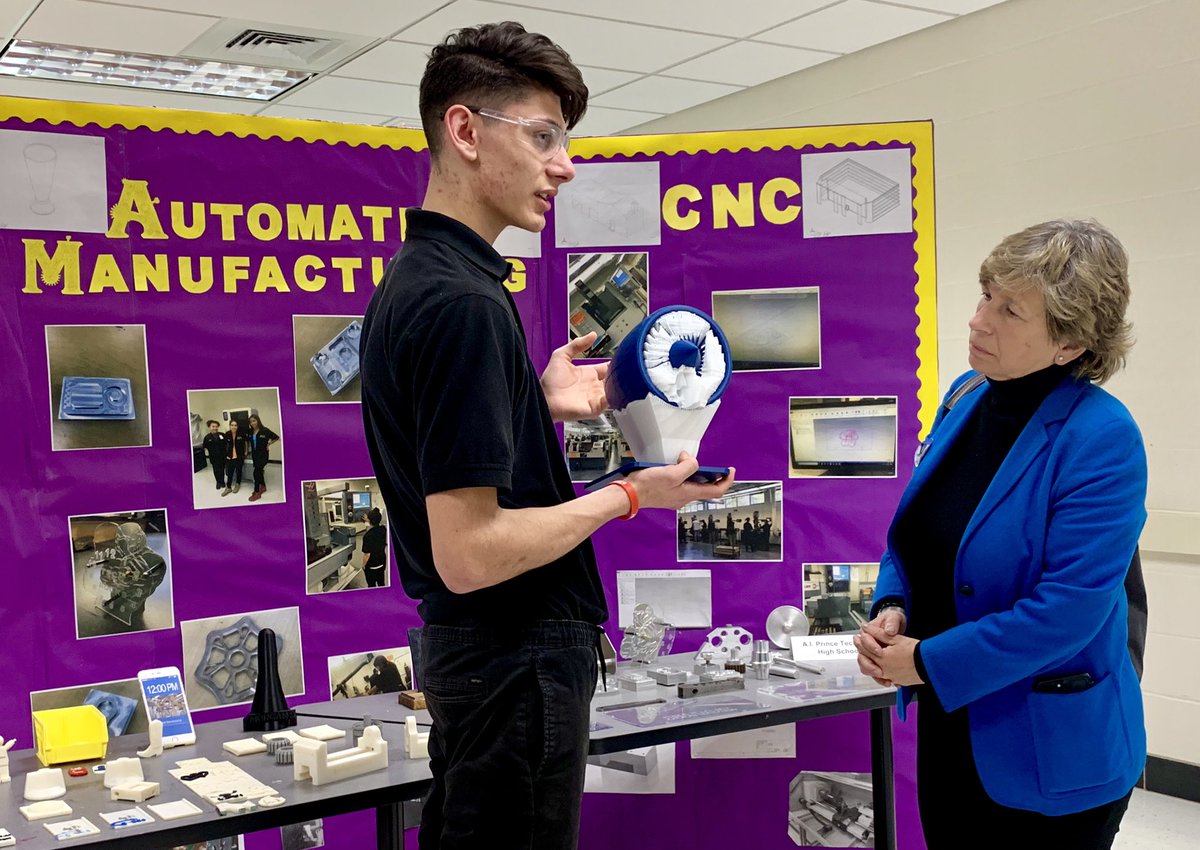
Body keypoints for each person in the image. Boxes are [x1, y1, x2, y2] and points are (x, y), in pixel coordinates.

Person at [359, 22, 734, 850]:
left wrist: (532, 404)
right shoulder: (464, 304)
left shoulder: (424, 280)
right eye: (542, 137)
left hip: (485, 664)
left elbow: (443, 461)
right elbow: (470, 552)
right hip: (511, 664)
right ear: (465, 131)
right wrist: (632, 493)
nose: (563, 164)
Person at [854, 220, 1146, 849]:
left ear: (1069, 344)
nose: (978, 320)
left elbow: (1067, 612)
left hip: (1049, 751)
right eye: (985, 294)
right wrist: (893, 604)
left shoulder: (1102, 437)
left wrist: (928, 661)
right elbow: (919, 532)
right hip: (952, 724)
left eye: (1009, 310)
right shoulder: (965, 396)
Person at [246, 414, 279, 502]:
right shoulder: (250, 431)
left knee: (256, 473)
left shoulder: (265, 430)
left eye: (254, 420)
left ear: (258, 420)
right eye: (251, 421)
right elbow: (247, 441)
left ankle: (257, 492)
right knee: (259, 471)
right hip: (255, 455)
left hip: (263, 455)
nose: (253, 423)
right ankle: (263, 487)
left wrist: (268, 444)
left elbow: (276, 437)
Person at [360, 507, 388, 588]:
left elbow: (367, 554)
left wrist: (363, 565)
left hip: (372, 565)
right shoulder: (383, 529)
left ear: (369, 520)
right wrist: (368, 519)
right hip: (382, 562)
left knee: (371, 585)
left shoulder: (367, 536)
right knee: (381, 584)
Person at [221, 418, 248, 497]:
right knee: (230, 472)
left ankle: (237, 484)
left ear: (237, 426)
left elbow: (246, 442)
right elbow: (224, 445)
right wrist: (226, 455)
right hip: (230, 457)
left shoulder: (241, 433)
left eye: (235, 425)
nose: (234, 427)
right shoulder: (227, 434)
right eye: (232, 425)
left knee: (239, 471)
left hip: (239, 456)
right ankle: (228, 487)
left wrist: (246, 451)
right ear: (230, 426)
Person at [201, 420, 226, 491]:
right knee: (216, 470)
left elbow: (226, 444)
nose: (215, 428)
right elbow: (205, 447)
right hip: (213, 458)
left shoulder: (222, 435)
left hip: (222, 457)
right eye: (213, 426)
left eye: (216, 426)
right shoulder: (207, 437)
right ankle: (218, 482)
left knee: (222, 469)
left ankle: (222, 481)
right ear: (209, 427)